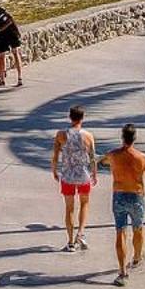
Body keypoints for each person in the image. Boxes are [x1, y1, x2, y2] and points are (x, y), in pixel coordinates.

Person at [106, 123, 145, 286]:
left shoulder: (113, 155)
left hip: (119, 195)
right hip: (136, 195)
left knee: (120, 231)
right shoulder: (141, 157)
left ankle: (122, 271)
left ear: (122, 138)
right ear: (134, 138)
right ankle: (136, 257)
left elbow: (103, 161)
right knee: (138, 228)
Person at [50, 105, 97, 252]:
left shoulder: (61, 135)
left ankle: (70, 242)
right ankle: (80, 233)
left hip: (67, 175)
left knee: (69, 208)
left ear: (70, 117)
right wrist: (94, 173)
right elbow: (93, 158)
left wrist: (55, 171)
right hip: (83, 174)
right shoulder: (88, 136)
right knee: (84, 204)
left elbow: (55, 156)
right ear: (82, 118)